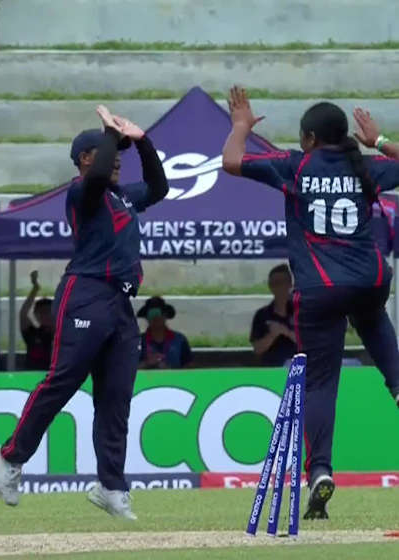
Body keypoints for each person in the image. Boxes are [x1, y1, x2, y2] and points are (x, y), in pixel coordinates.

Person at [223, 87, 399, 521]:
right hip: (370, 279)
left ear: (309, 139)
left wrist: (241, 127)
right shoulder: (367, 167)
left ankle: (319, 469)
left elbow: (231, 161)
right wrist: (378, 140)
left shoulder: (295, 166)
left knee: (321, 382)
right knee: (375, 323)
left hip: (321, 289)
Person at [0, 105, 169, 519]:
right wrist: (111, 135)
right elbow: (99, 170)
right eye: (109, 152)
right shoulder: (81, 192)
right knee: (63, 381)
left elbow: (159, 188)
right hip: (85, 294)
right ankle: (12, 458)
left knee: (116, 397)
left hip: (120, 304)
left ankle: (110, 486)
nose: (118, 158)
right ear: (85, 159)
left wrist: (143, 142)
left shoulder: (122, 195)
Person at [250, 264, 296, 366]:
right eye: (274, 283)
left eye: (281, 283)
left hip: (298, 369)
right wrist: (272, 335)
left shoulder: (301, 312)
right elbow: (257, 349)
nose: (278, 287)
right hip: (272, 369)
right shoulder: (262, 315)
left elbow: (310, 343)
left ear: (290, 284)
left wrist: (286, 331)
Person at [137, 296, 192, 369]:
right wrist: (146, 364)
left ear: (166, 315)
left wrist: (169, 369)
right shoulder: (137, 342)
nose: (156, 317)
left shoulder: (180, 340)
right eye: (151, 314)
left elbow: (189, 367)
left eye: (159, 313)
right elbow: (127, 369)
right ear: (146, 317)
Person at [20, 270, 54, 371]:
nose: (45, 315)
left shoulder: (63, 332)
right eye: (41, 312)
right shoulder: (33, 333)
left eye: (48, 311)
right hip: (31, 378)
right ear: (35, 314)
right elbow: (23, 313)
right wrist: (35, 288)